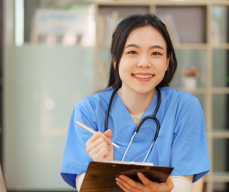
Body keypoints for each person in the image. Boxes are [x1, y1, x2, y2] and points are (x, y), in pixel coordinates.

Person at [60, 13, 210, 192]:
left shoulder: (184, 107)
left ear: (167, 61)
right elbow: (83, 183)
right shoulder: (88, 110)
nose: (144, 63)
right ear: (115, 60)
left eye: (156, 53)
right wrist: (101, 167)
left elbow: (185, 182)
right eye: (132, 52)